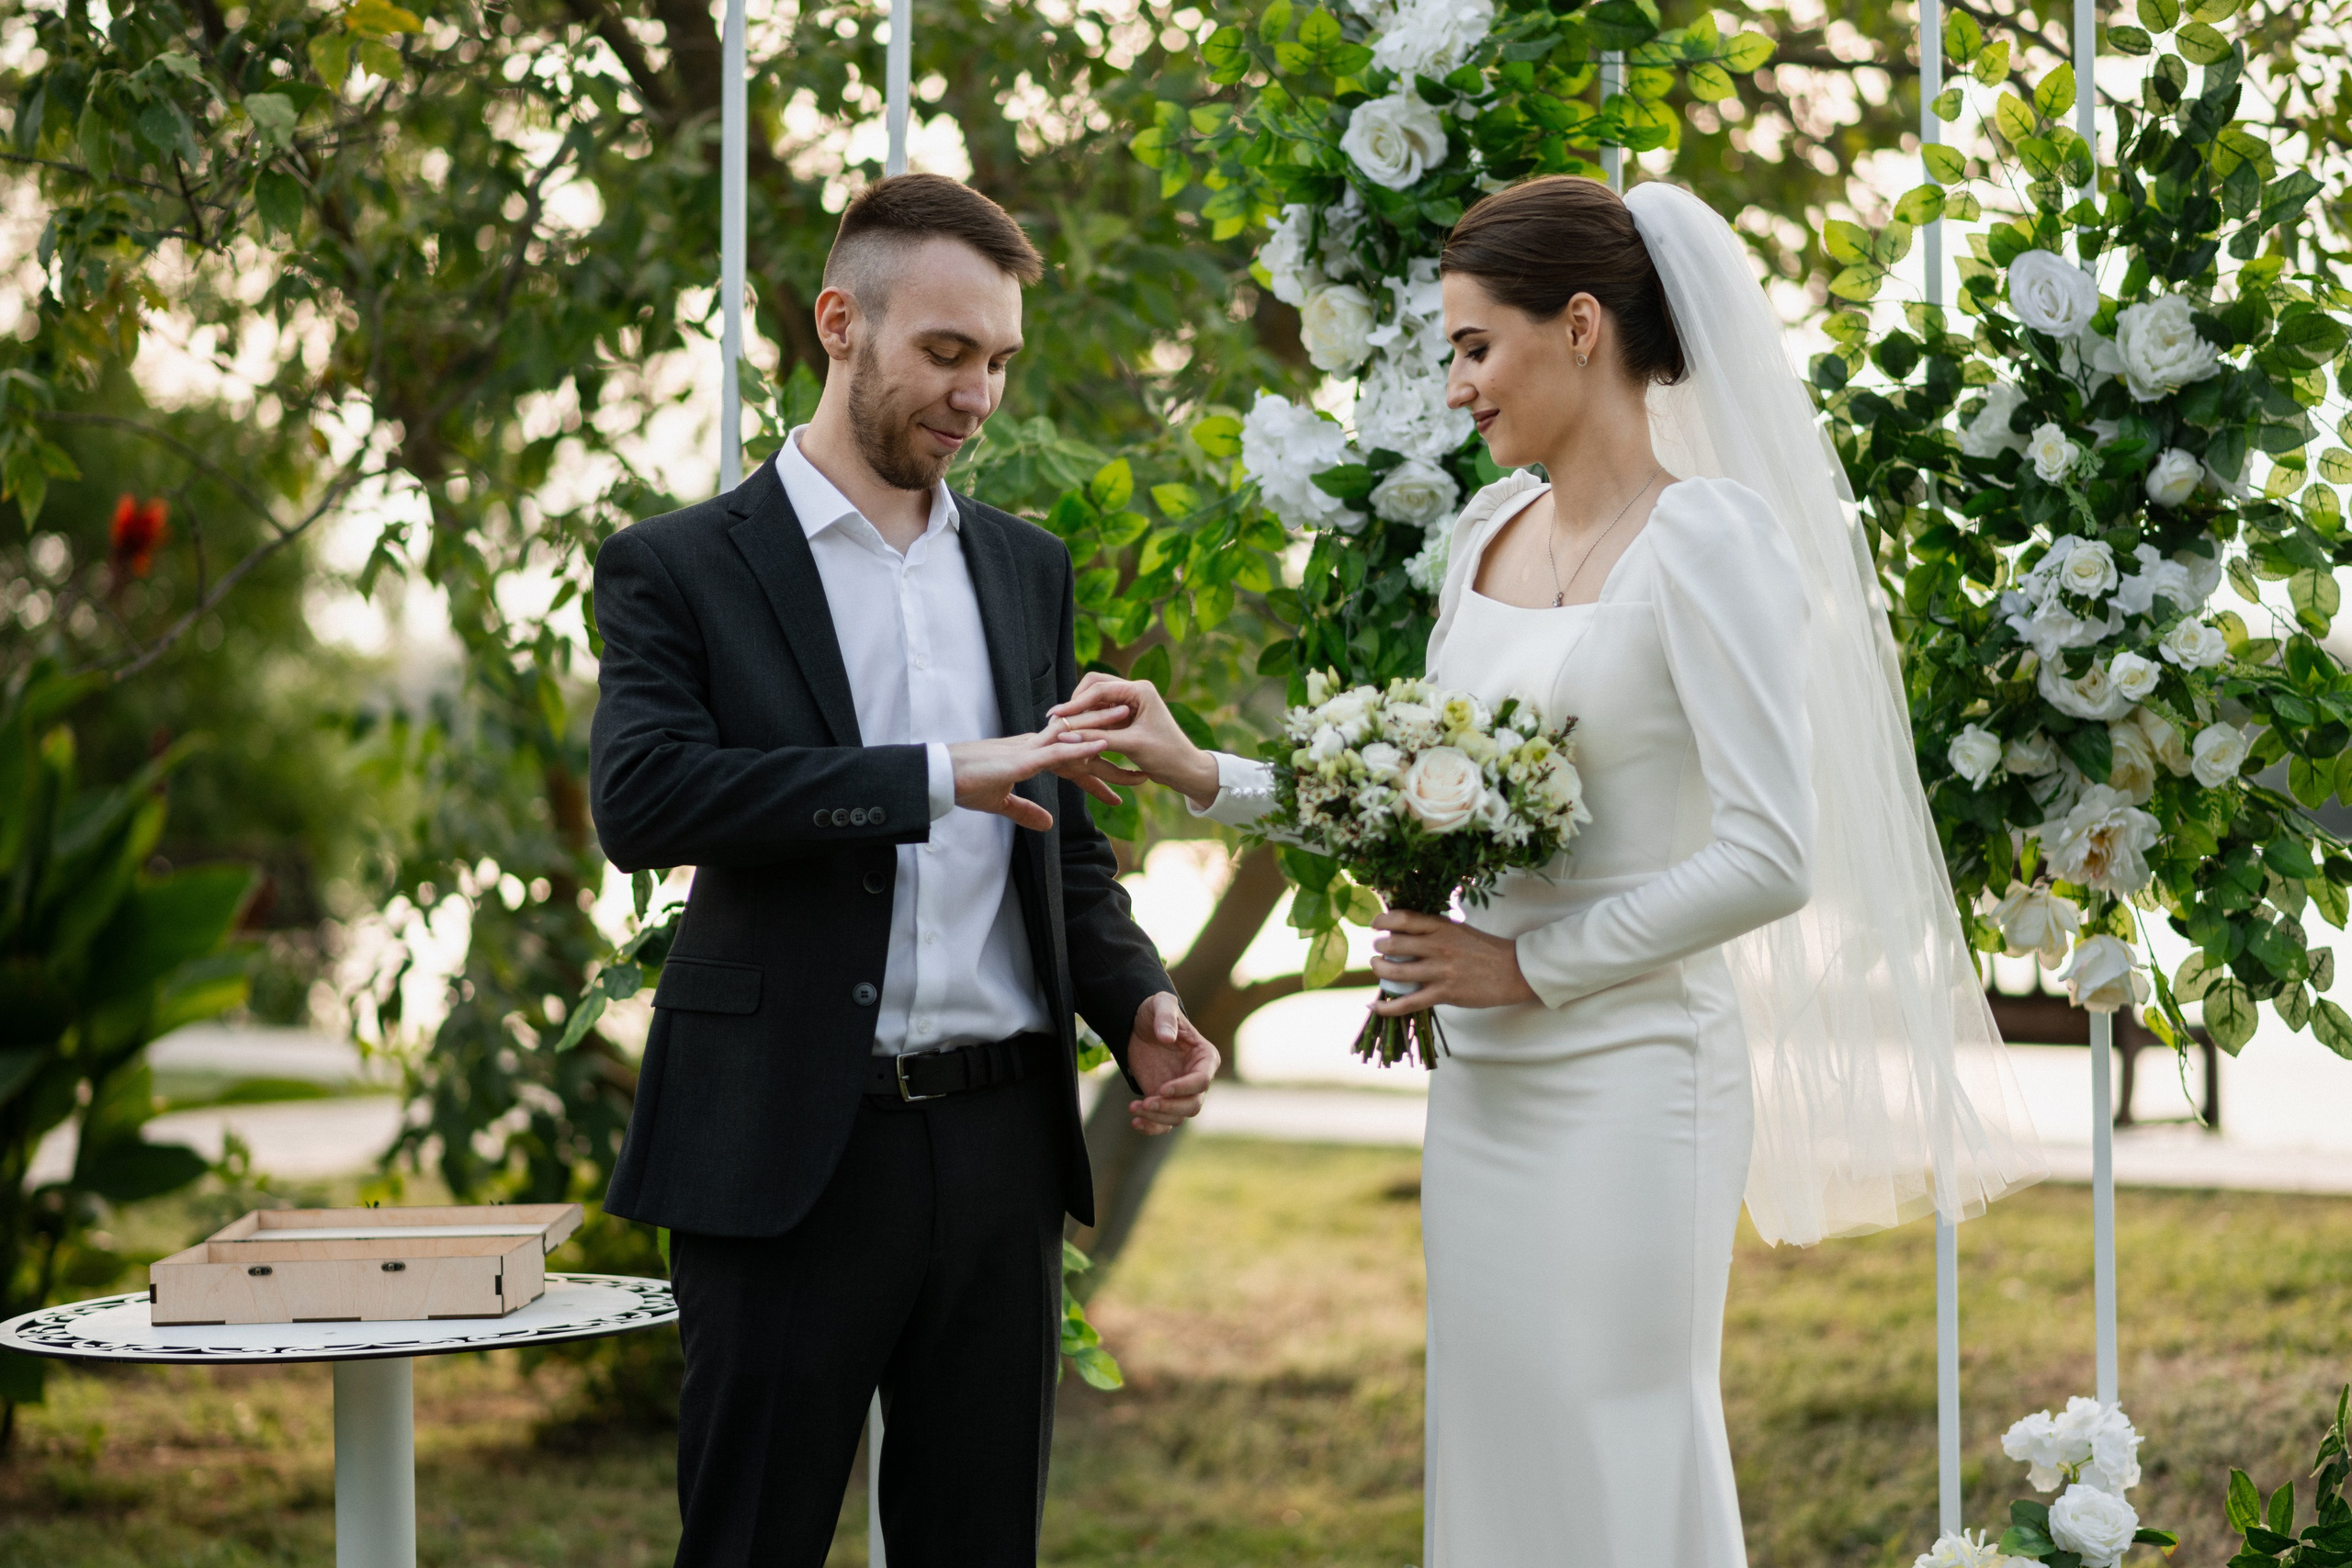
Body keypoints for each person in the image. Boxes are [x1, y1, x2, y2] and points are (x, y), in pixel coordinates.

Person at [1054, 175, 2046, 1564]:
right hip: (1488, 1094)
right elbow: (1414, 802)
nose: (1457, 384)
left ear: (1581, 327)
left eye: (1474, 346)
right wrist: (1200, 765)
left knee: (1617, 1432)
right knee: (1498, 1429)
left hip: (1636, 1077)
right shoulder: (1485, 537)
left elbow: (1772, 854)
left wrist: (1528, 966)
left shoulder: (1710, 540)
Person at [587, 173, 1220, 1568]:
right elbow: (643, 800)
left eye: (997, 361)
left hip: (1000, 1146)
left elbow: (1069, 851)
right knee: (751, 1542)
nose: (977, 395)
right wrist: (937, 777)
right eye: (946, 352)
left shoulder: (1026, 569)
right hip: (785, 1150)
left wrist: (1139, 1005)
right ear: (839, 324)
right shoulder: (678, 568)